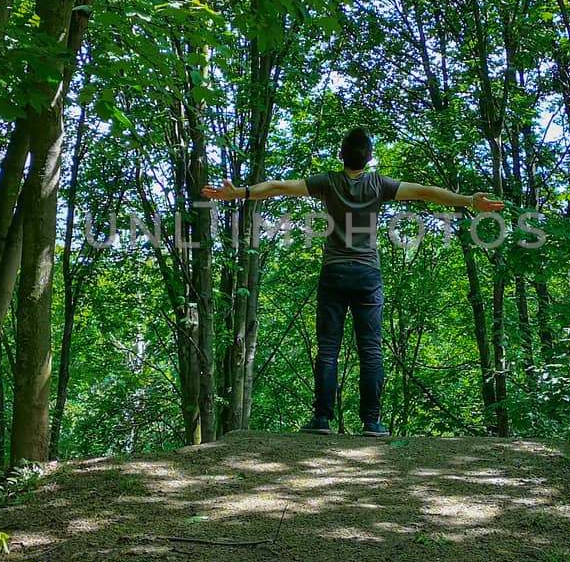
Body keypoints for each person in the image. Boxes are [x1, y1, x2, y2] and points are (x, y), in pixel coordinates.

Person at [202, 127, 504, 437]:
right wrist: (468, 200)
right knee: (370, 350)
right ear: (370, 158)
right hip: (367, 276)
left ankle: (322, 420)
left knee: (328, 349)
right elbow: (426, 191)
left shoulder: (327, 182)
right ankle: (371, 423)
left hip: (334, 272)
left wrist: (240, 192)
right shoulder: (379, 185)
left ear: (340, 156)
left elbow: (280, 186)